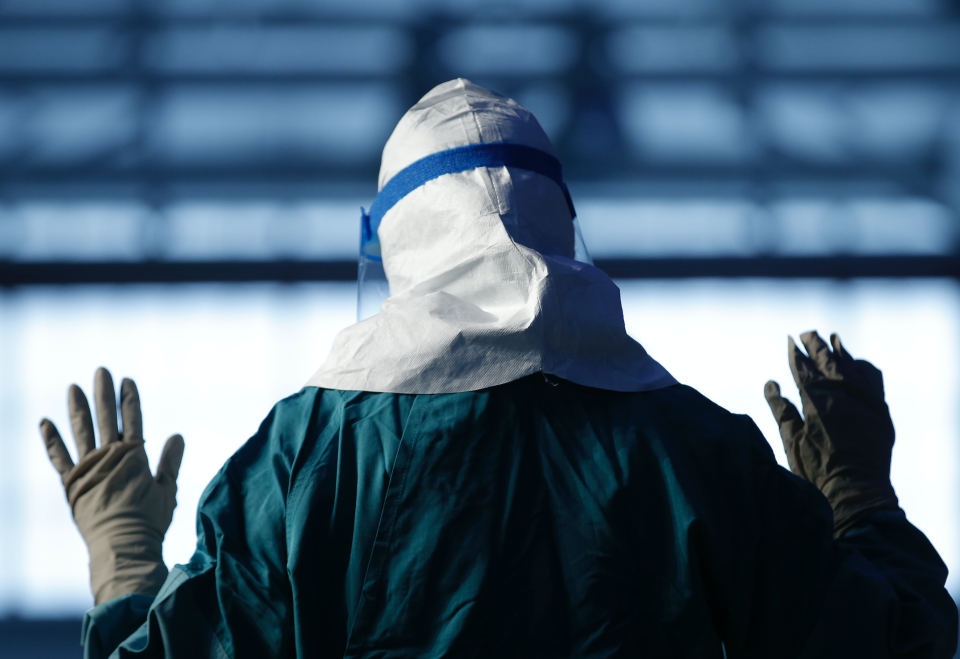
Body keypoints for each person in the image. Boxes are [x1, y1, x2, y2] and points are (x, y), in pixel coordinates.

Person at [40, 80, 956, 658]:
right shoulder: (698, 451)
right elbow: (885, 642)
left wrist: (124, 564)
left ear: (393, 244)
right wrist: (862, 499)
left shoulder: (307, 454)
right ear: (564, 229)